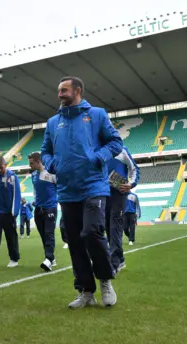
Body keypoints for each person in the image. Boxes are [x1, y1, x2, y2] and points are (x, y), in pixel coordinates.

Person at [41, 76, 123, 309]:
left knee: (92, 232)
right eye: (58, 90)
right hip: (67, 190)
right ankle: (86, 290)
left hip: (93, 186)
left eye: (64, 90)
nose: (60, 94)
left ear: (77, 91)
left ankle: (105, 280)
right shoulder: (52, 122)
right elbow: (45, 151)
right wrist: (52, 164)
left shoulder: (96, 115)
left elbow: (115, 142)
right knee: (75, 241)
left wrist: (97, 157)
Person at [105, 146, 140, 273]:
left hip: (119, 193)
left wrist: (131, 184)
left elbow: (135, 169)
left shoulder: (122, 150)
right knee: (108, 227)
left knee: (115, 226)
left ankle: (113, 264)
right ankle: (120, 259)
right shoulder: (98, 150)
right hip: (102, 193)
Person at [28, 152, 58, 271]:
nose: (30, 165)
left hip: (50, 208)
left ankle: (48, 259)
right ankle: (51, 258)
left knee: (48, 233)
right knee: (43, 235)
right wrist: (35, 200)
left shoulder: (51, 173)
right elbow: (35, 190)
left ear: (38, 162)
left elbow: (60, 187)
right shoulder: (33, 175)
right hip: (38, 209)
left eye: (31, 163)